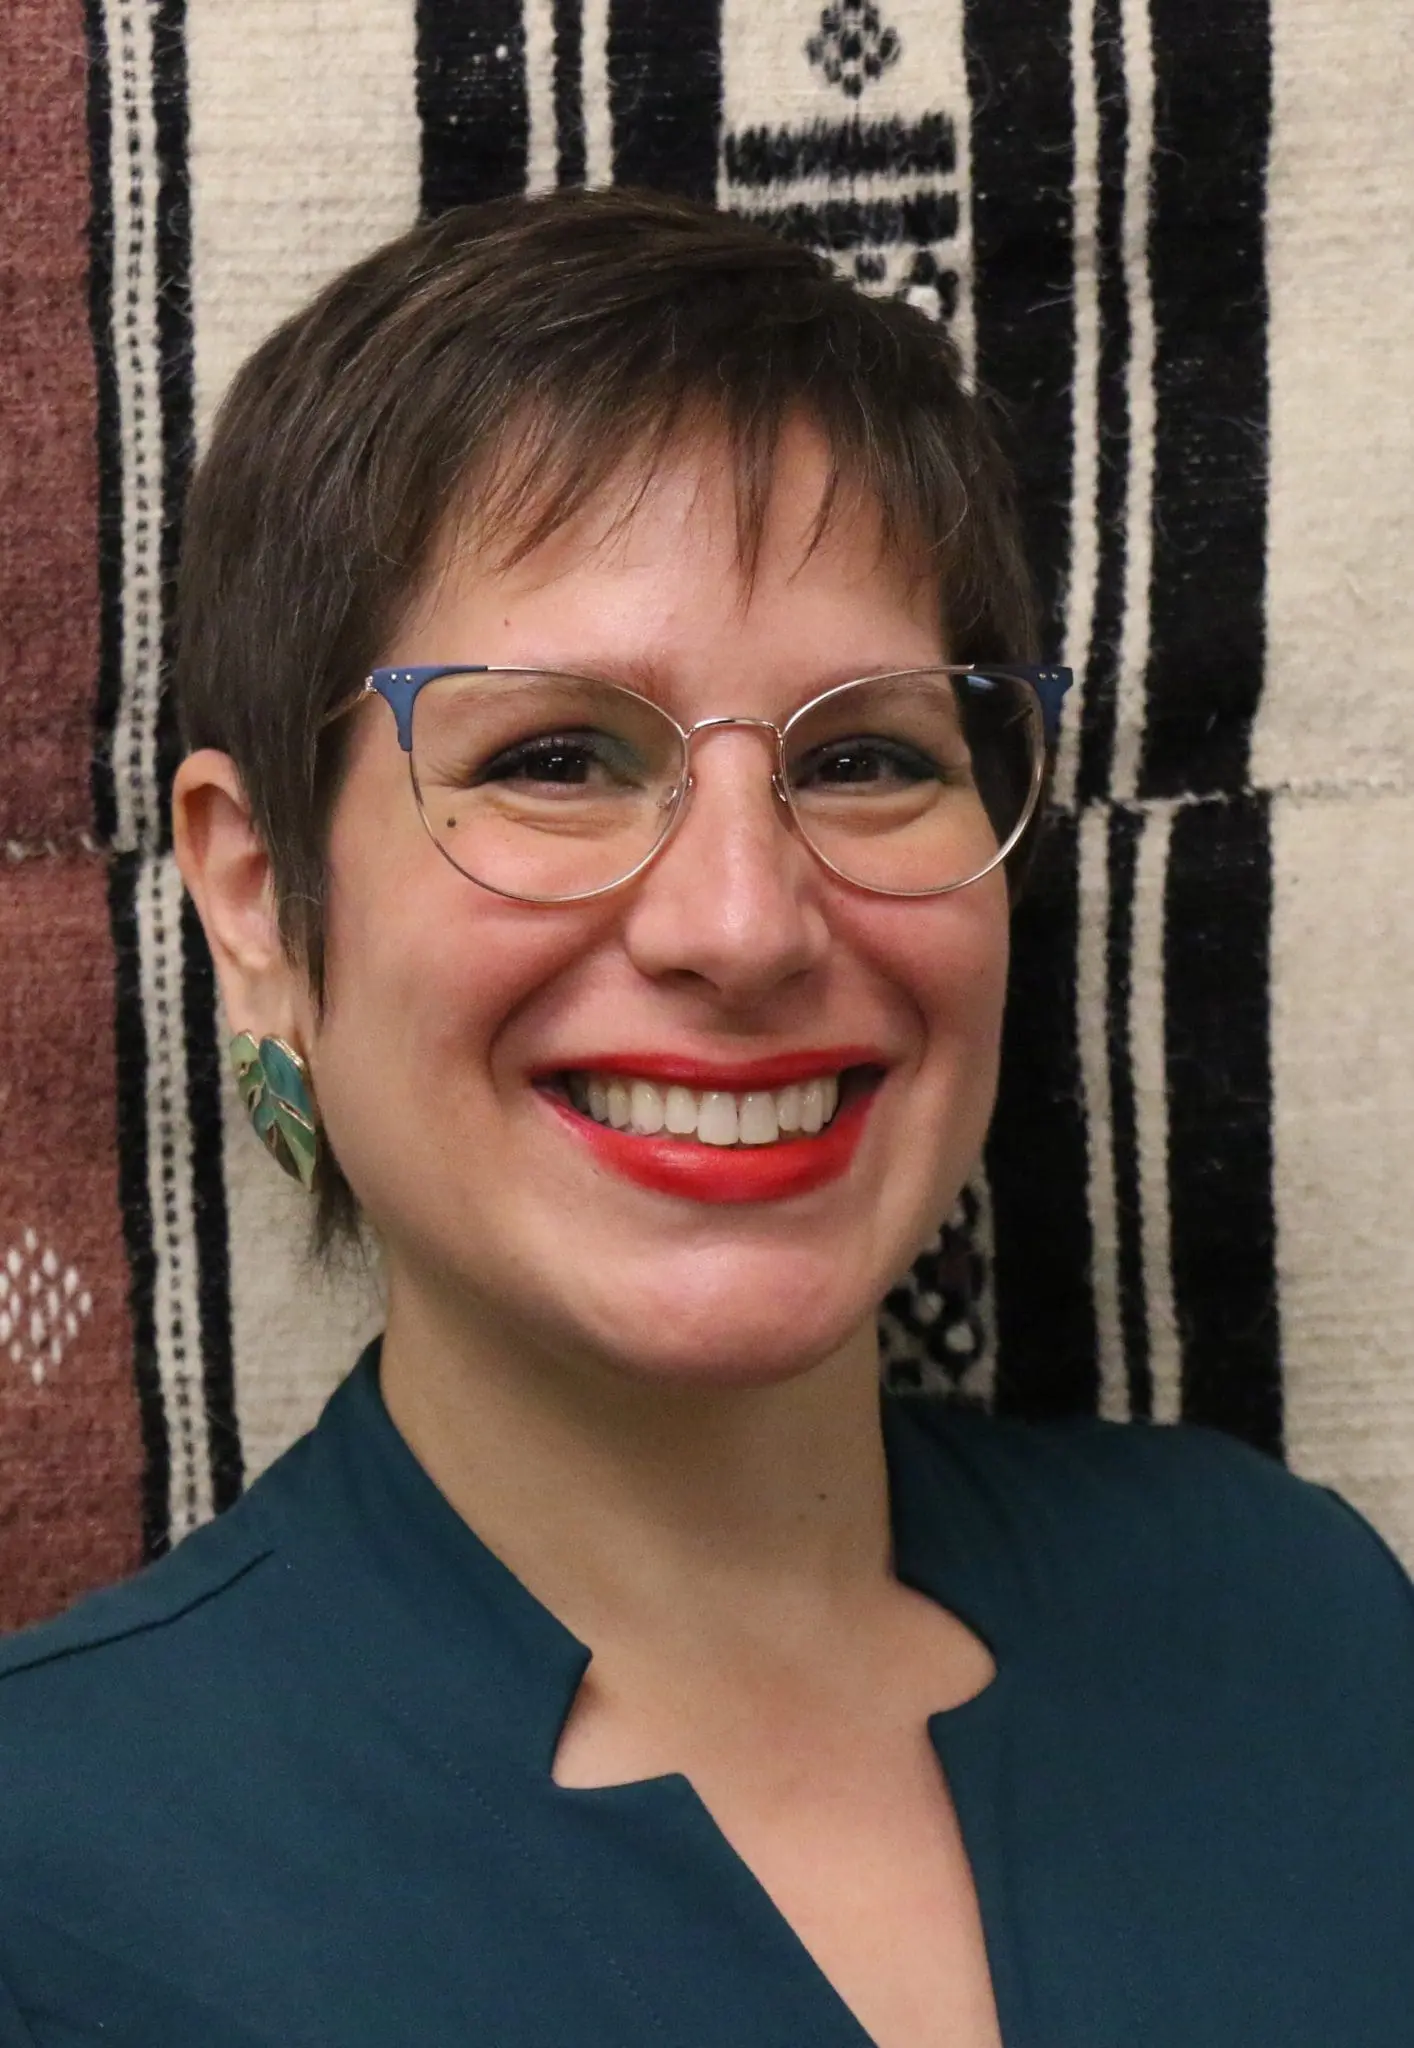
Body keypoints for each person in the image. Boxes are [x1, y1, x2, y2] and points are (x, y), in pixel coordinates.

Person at [0, 188, 1410, 2048]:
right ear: (258, 897)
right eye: (556, 759)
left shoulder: (1292, 1614)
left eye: (864, 759)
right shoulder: (52, 1864)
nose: (743, 924)